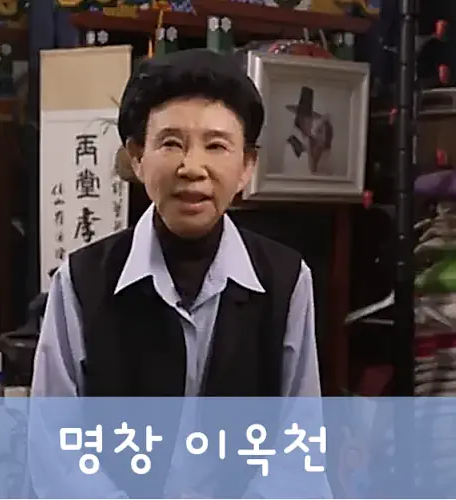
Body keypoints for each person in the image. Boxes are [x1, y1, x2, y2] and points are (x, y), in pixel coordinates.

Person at [30, 48, 325, 498]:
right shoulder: (82, 281)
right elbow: (56, 452)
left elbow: (298, 449)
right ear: (137, 157)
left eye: (216, 145)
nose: (192, 168)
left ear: (247, 166)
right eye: (170, 143)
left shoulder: (285, 281)